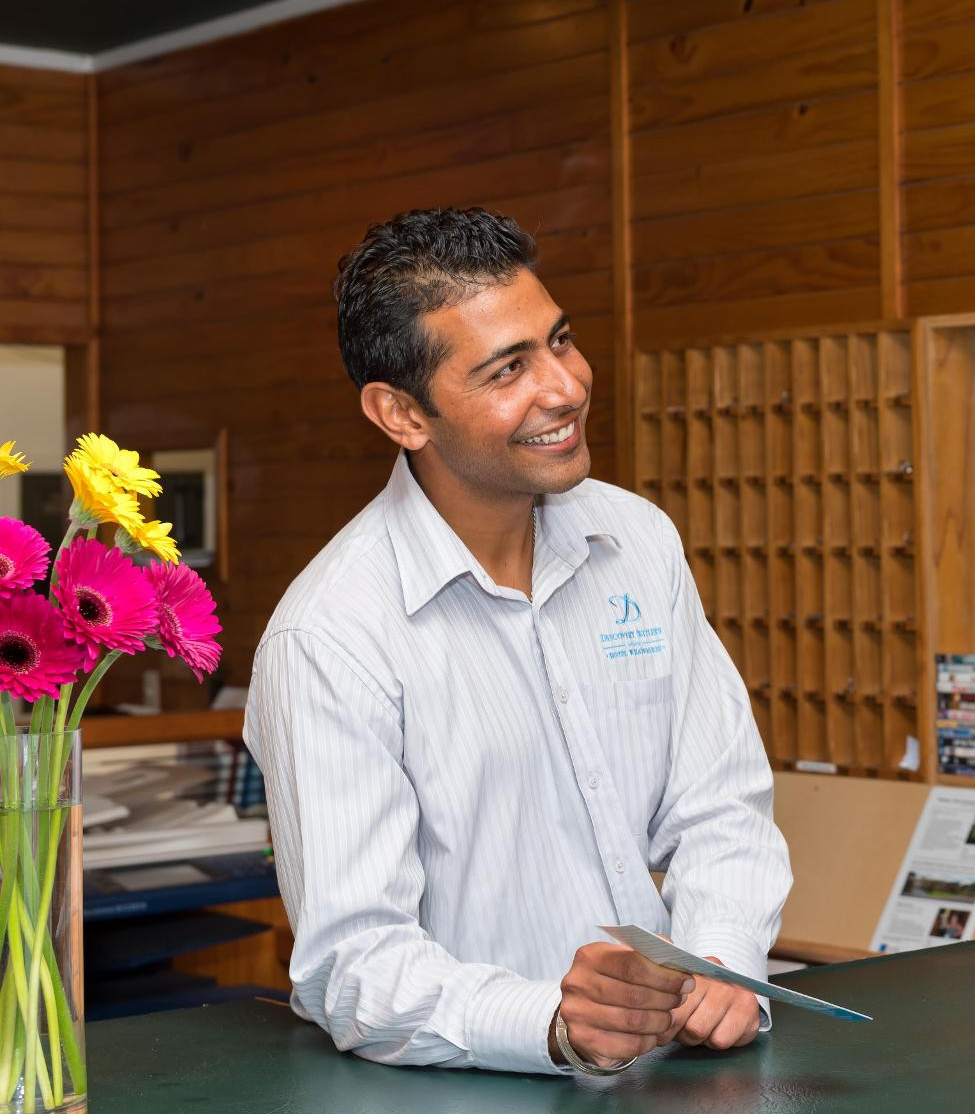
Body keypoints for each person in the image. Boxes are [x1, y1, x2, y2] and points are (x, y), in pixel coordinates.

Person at [245, 207, 792, 1075]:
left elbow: (719, 804)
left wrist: (722, 958)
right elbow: (353, 965)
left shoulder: (636, 539)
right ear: (400, 413)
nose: (566, 386)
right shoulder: (330, 636)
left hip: (675, 1080)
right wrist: (554, 1022)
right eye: (509, 368)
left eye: (561, 340)